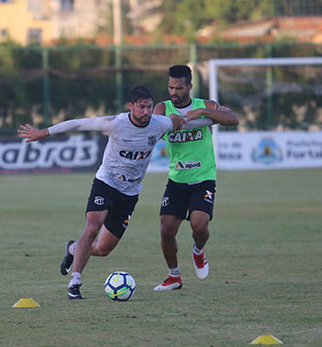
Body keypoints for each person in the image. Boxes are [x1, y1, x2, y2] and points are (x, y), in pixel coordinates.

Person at [18, 86, 211, 300]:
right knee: (92, 226)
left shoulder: (160, 124)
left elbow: (194, 123)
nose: (146, 112)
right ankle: (75, 282)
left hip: (130, 193)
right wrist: (44, 132)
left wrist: (209, 116)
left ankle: (73, 248)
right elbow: (78, 123)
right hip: (106, 182)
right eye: (141, 107)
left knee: (102, 248)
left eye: (149, 107)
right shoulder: (116, 123)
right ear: (131, 107)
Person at [153, 64, 238, 291]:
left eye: (179, 88)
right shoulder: (162, 108)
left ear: (189, 86)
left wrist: (202, 113)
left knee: (199, 226)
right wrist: (166, 122)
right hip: (177, 180)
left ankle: (198, 251)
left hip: (203, 178)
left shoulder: (205, 105)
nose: (174, 92)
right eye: (171, 87)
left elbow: (233, 119)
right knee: (166, 229)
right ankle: (174, 276)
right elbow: (151, 131)